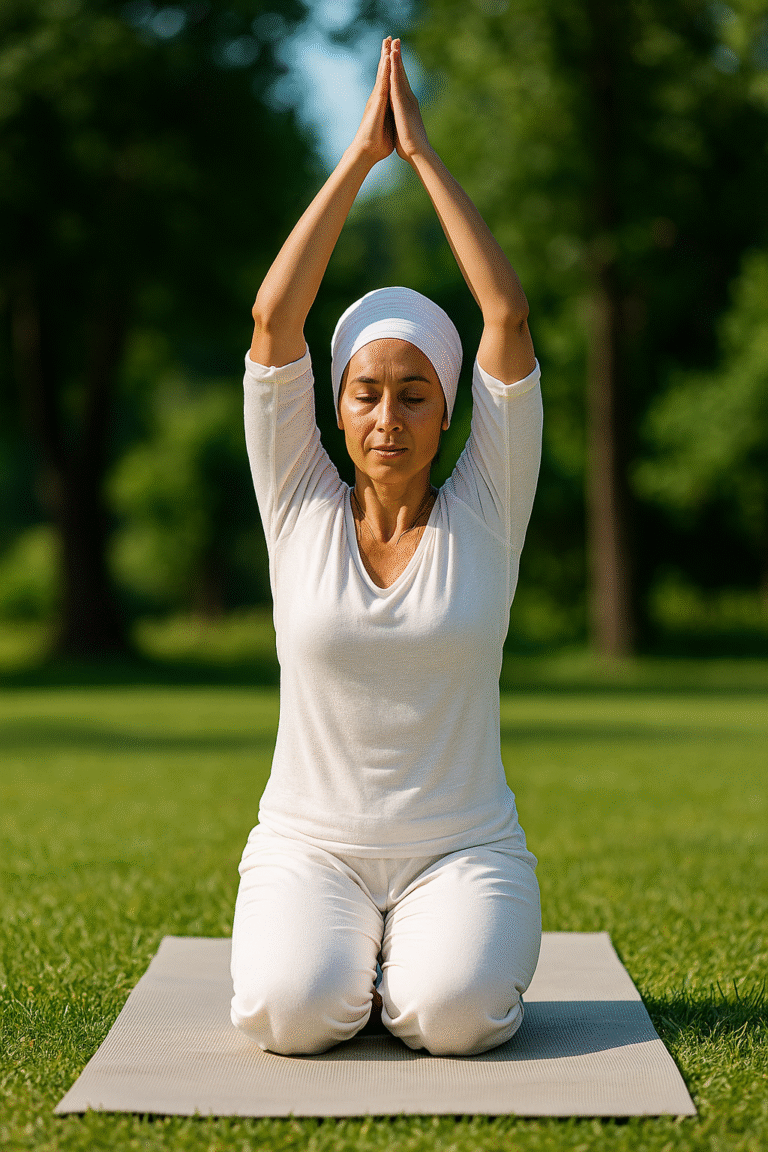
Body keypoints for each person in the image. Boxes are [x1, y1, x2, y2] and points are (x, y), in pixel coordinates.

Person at [230, 36, 543, 1057]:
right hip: (308, 848)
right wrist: (361, 157)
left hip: (462, 850)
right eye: (367, 393)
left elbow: (505, 313)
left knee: (451, 1019)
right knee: (292, 1012)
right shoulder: (298, 503)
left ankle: (417, 955)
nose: (388, 418)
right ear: (338, 403)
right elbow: (275, 317)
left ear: (449, 411)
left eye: (416, 396)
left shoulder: (487, 508)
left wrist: (424, 160)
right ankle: (345, 952)